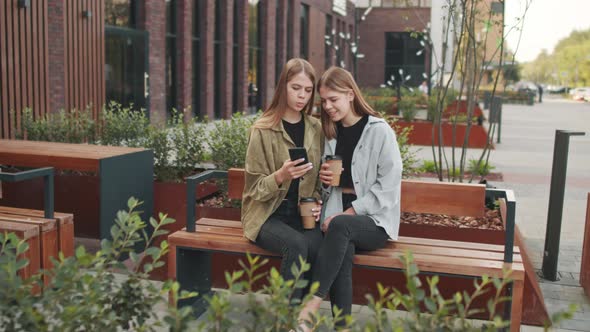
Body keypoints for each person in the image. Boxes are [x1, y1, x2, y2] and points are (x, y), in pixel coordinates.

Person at [298, 67, 403, 329]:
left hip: (373, 221)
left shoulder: (379, 131)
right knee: (341, 250)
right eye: (324, 101)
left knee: (340, 228)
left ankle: (310, 306)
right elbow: (328, 190)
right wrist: (323, 183)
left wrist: (350, 212)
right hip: (336, 217)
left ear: (350, 94)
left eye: (333, 99)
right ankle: (342, 327)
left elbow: (389, 185)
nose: (328, 107)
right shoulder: (330, 133)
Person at [241, 58, 324, 302]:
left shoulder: (316, 128)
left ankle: (302, 319)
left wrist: (317, 201)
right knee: (297, 246)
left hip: (302, 214)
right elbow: (254, 189)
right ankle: (286, 320)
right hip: (267, 214)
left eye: (308, 90)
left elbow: (318, 180)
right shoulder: (262, 130)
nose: (302, 96)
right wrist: (281, 176)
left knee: (321, 247)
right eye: (296, 88)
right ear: (282, 87)